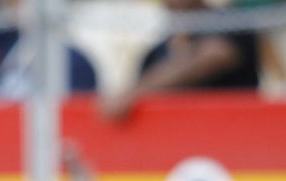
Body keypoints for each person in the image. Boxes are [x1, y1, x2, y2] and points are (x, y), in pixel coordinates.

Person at [101, 0, 262, 123]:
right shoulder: (155, 54)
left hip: (235, 146)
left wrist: (135, 92)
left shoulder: (233, 23)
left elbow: (215, 56)